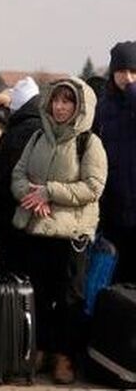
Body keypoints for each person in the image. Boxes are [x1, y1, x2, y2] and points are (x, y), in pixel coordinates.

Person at [11, 77, 107, 384]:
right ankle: (41, 349)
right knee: (39, 295)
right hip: (37, 228)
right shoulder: (39, 136)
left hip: (71, 235)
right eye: (56, 100)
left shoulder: (89, 142)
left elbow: (93, 187)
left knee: (69, 299)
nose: (60, 106)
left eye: (67, 101)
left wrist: (49, 192)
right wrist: (31, 195)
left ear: (79, 106)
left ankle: (65, 357)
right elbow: (18, 175)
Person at [0, 76, 42, 272]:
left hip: (14, 217)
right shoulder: (48, 128)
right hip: (42, 215)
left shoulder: (14, 134)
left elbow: (3, 181)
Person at [93, 40, 136, 283]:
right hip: (113, 205)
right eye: (121, 71)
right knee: (115, 275)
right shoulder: (104, 106)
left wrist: (132, 92)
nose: (127, 78)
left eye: (133, 72)